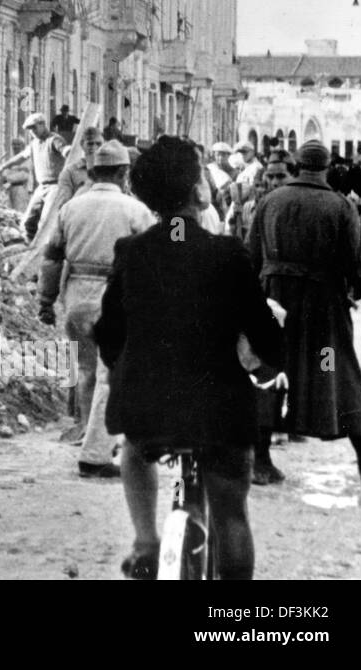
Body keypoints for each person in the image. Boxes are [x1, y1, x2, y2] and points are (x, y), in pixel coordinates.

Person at [96, 136, 283, 581]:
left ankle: (145, 540)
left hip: (145, 405)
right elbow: (267, 337)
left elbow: (108, 334)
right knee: (231, 513)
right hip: (218, 411)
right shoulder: (227, 254)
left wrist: (124, 369)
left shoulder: (132, 252)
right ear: (198, 190)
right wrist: (269, 365)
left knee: (137, 452)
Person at [248, 139, 361, 482]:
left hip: (274, 301)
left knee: (270, 370)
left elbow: (251, 256)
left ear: (298, 166)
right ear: (326, 168)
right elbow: (357, 265)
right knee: (336, 371)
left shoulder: (269, 200)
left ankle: (260, 460)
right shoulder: (340, 206)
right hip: (323, 309)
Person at [38, 141, 154, 478]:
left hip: (75, 295)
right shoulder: (135, 210)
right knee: (111, 374)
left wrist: (45, 301)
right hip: (114, 297)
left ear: (92, 171)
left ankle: (93, 438)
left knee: (86, 371)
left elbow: (51, 258)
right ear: (122, 172)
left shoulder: (71, 208)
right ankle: (95, 455)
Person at [243, 151, 294, 484]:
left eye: (280, 176)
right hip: (268, 296)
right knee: (267, 371)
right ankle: (260, 456)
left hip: (288, 296)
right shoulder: (255, 207)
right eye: (270, 177)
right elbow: (248, 253)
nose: (274, 182)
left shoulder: (283, 206)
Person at [0, 114, 68, 241]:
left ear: (43, 124)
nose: (32, 132)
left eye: (34, 128)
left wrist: (67, 151)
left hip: (55, 186)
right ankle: (28, 248)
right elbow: (21, 157)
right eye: (30, 130)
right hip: (42, 187)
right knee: (28, 222)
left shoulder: (54, 139)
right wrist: (3, 167)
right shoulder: (34, 144)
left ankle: (45, 253)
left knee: (46, 222)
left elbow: (64, 149)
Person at [46, 126, 104, 219]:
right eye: (90, 144)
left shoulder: (110, 170)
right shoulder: (70, 172)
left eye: (98, 144)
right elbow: (63, 205)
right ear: (82, 144)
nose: (94, 147)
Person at [3, 137, 32, 212]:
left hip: (21, 189)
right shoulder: (11, 159)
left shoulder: (26, 159)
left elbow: (23, 176)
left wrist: (8, 177)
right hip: (10, 189)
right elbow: (4, 173)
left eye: (18, 144)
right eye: (14, 144)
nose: (15, 147)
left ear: (23, 146)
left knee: (20, 212)